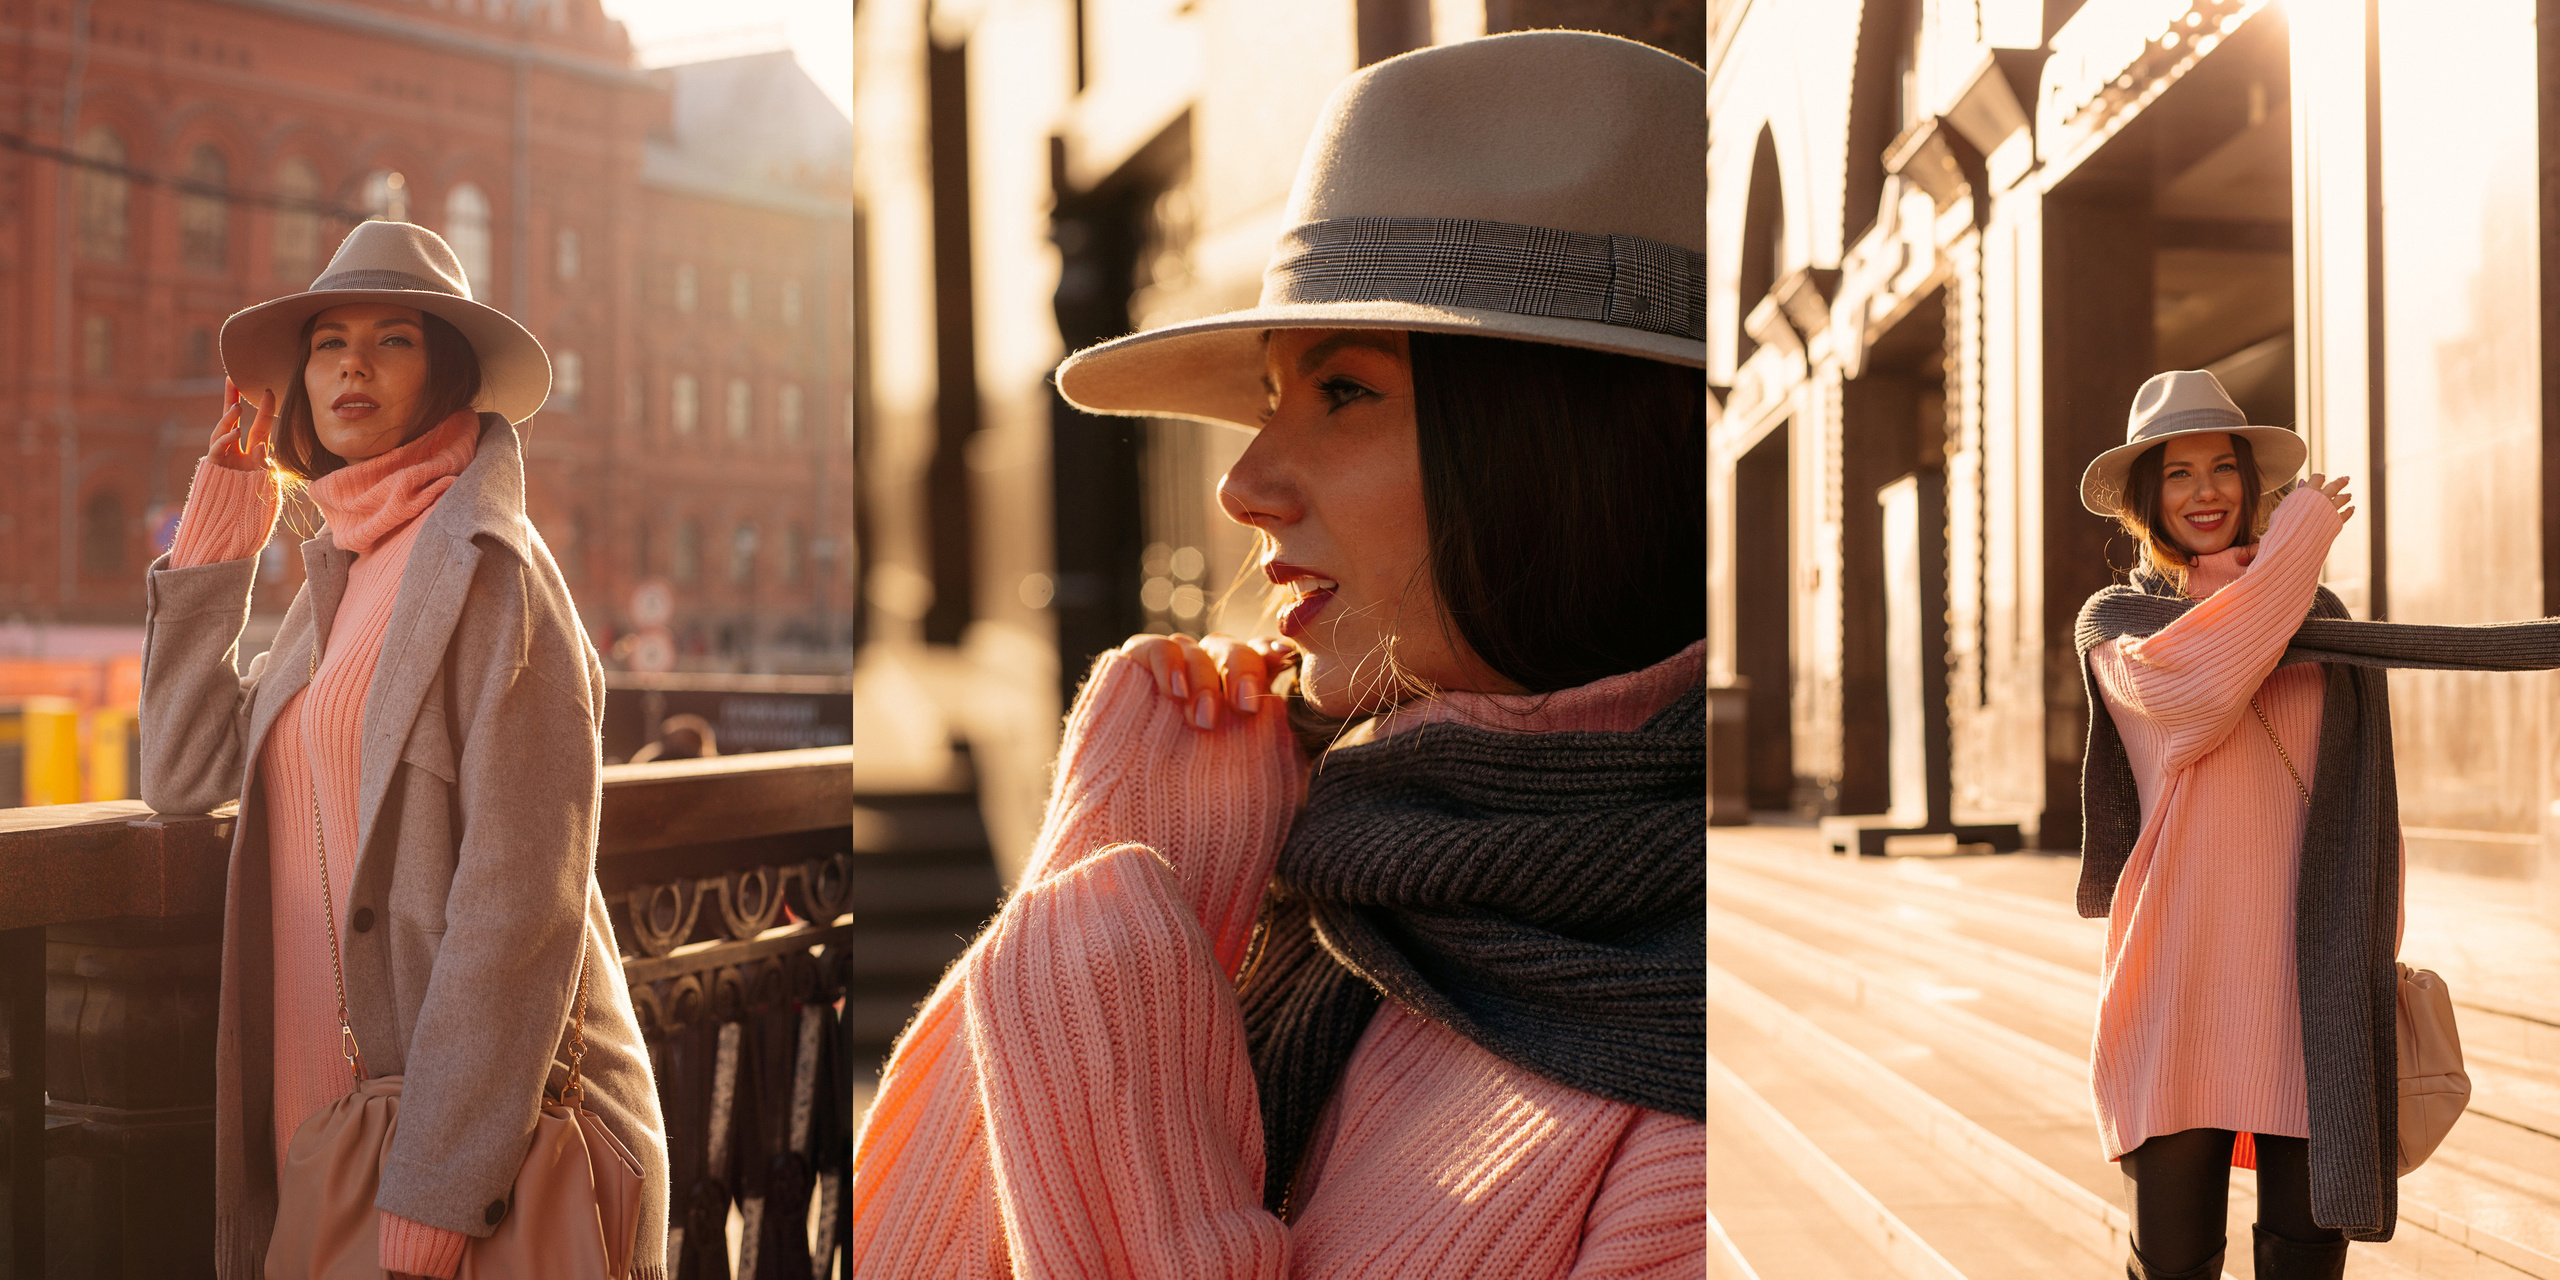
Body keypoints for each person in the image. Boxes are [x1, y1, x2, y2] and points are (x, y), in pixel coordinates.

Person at [851, 31, 1704, 1277]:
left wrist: (1099, 1034)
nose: (1242, 485)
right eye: (1267, 402)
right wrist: (1121, 845)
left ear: (1568, 449)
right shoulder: (1329, 863)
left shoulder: (1706, 1090)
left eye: (1343, 391)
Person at [138, 221, 668, 1280]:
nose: (353, 366)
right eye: (329, 342)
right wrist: (228, 509)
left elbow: (520, 910)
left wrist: (432, 1203)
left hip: (462, 1163)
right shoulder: (338, 568)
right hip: (325, 1130)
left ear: (447, 373)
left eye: (393, 340)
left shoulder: (494, 572)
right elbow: (182, 769)